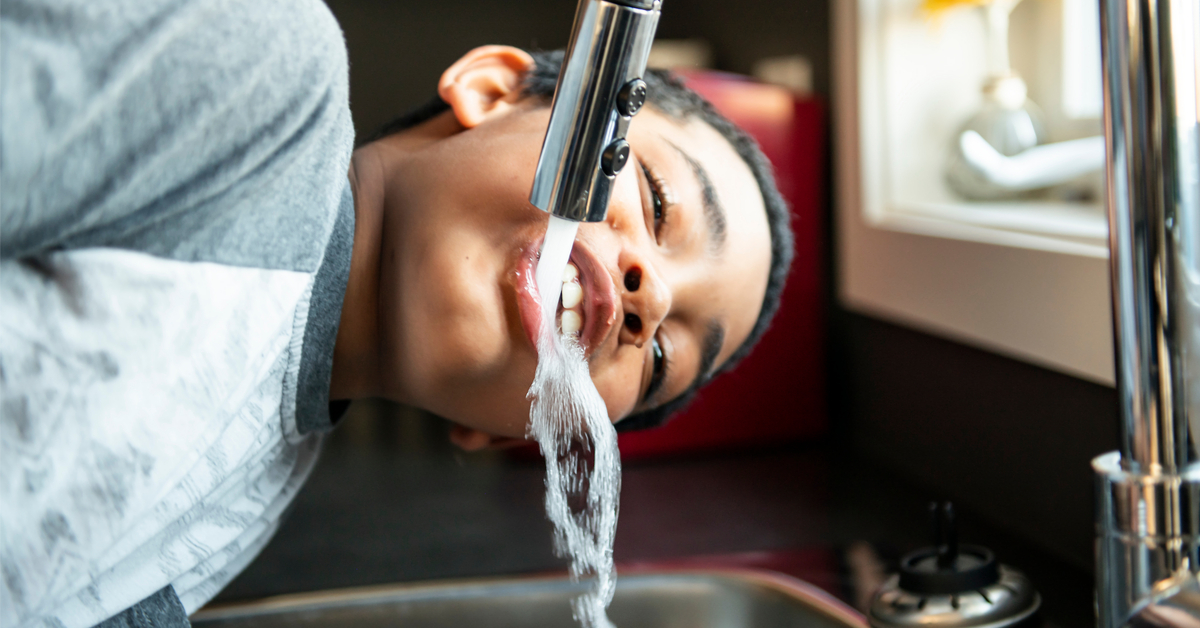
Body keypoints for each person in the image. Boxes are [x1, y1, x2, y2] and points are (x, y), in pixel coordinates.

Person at [0, 1, 792, 627]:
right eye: (656, 201)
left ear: (510, 433)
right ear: (491, 90)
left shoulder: (236, 516)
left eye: (660, 362)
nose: (650, 297)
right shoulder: (263, 77)